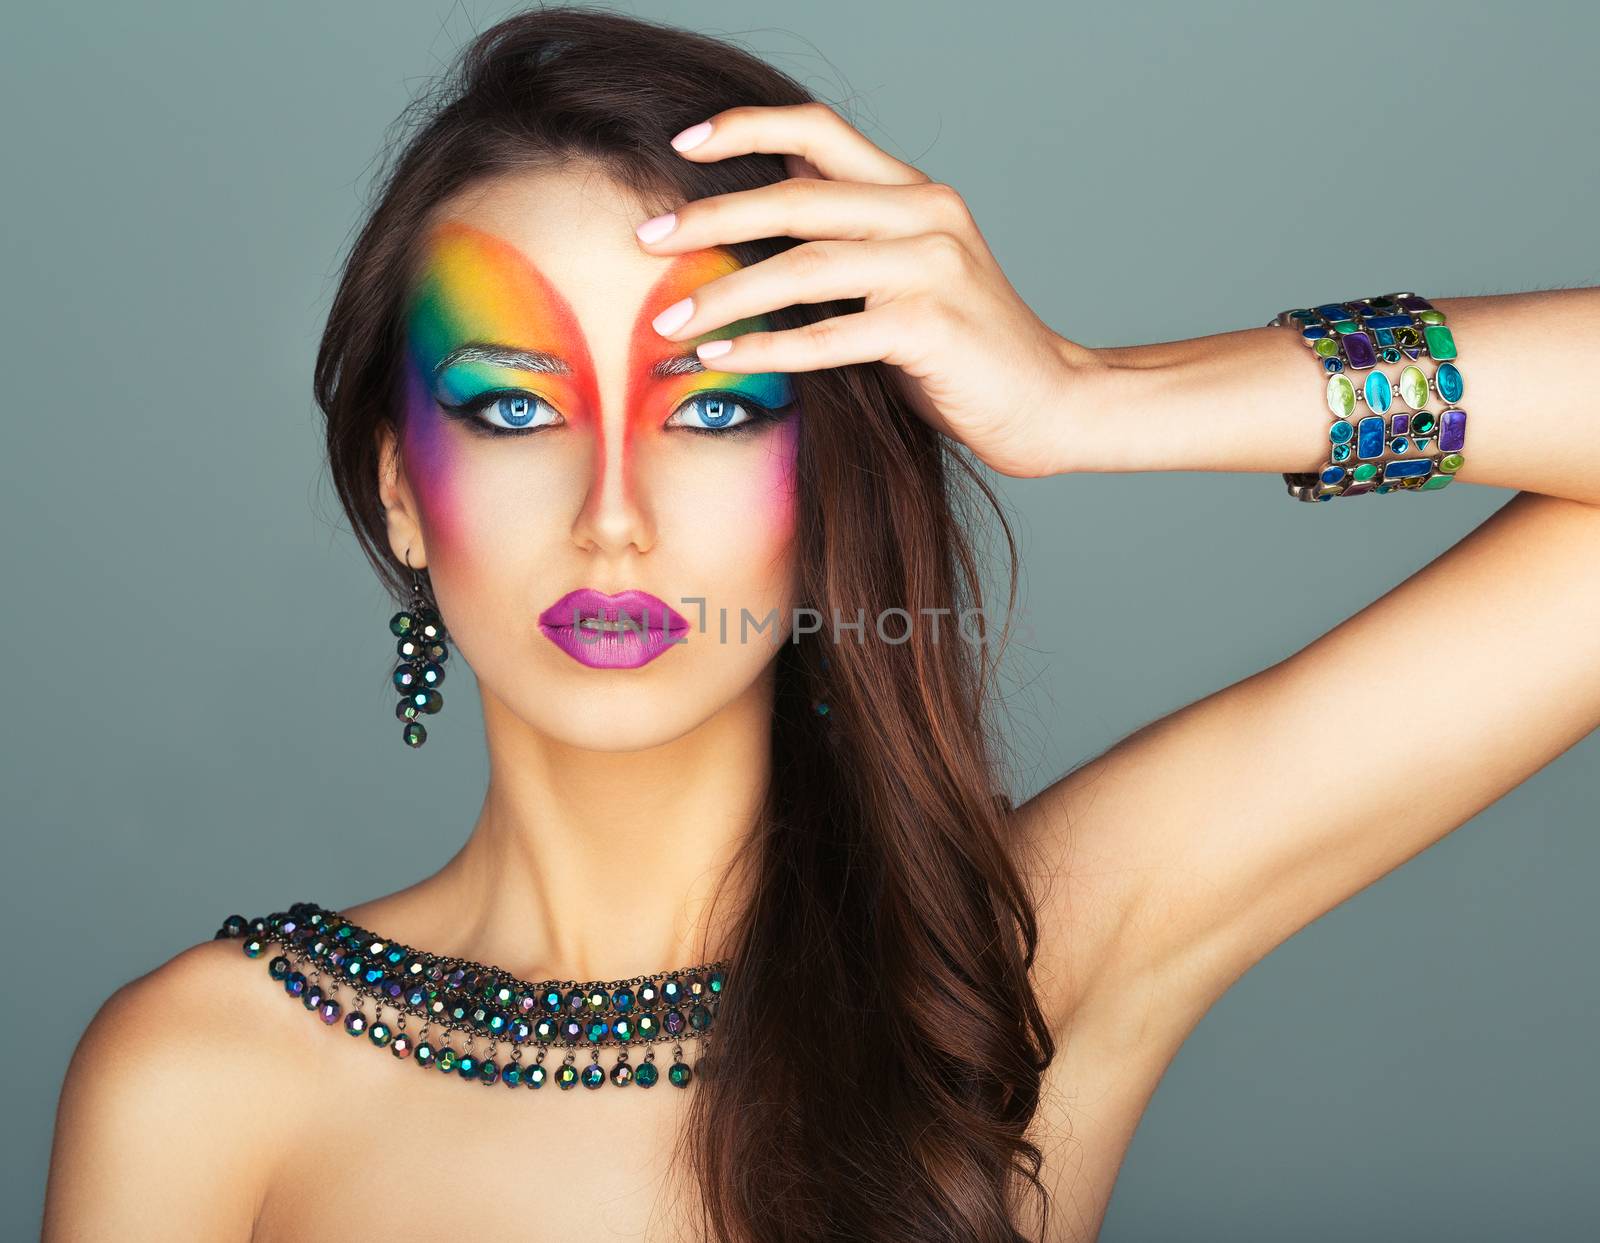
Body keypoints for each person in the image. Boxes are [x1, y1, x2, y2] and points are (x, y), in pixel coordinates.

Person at [39, 7, 1600, 1242]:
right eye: (512, 406)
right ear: (399, 493)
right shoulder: (201, 1076)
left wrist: (1089, 400)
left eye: (714, 408)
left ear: (825, 495)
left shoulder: (1023, 970)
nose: (613, 512)